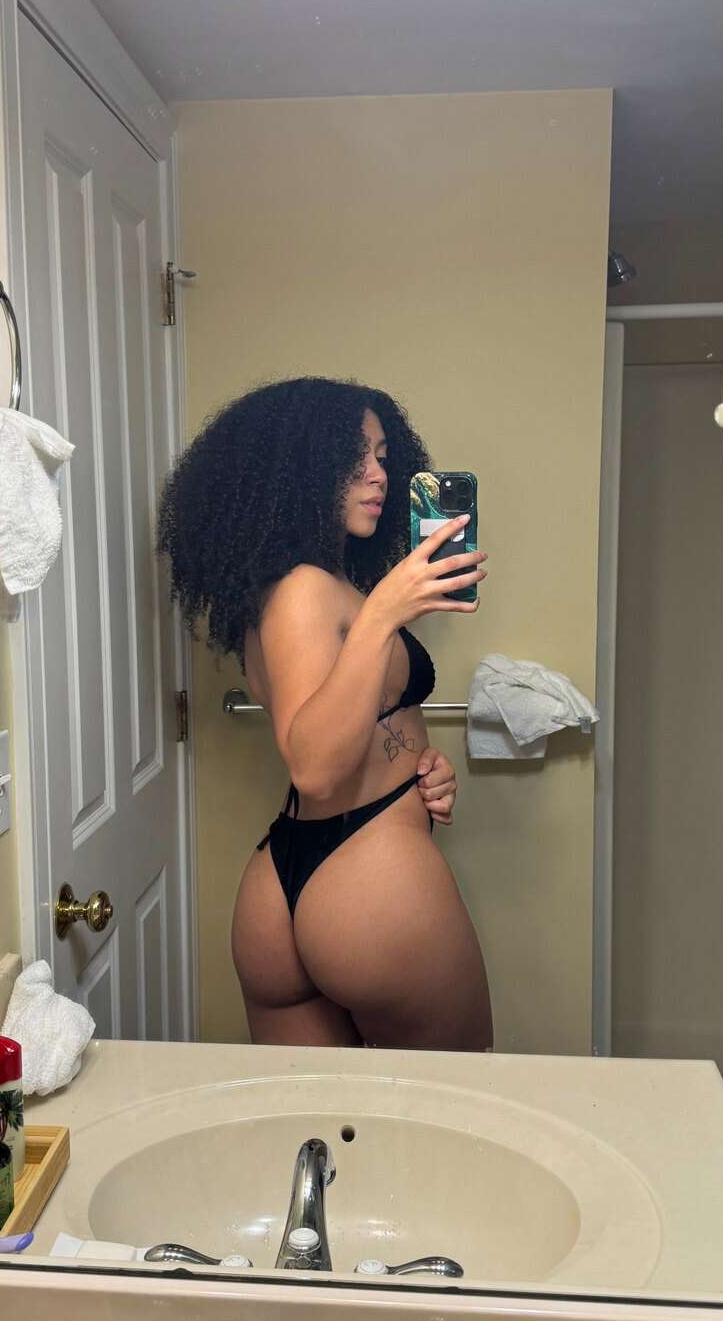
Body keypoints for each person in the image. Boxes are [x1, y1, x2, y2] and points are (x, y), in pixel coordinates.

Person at [158, 376, 493, 1050]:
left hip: (287, 882)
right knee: (452, 1102)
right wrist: (386, 612)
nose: (379, 474)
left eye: (382, 456)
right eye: (353, 458)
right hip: (369, 882)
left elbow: (350, 718)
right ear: (300, 471)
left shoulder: (305, 584)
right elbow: (314, 767)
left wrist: (419, 767)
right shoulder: (305, 590)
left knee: (312, 1113)